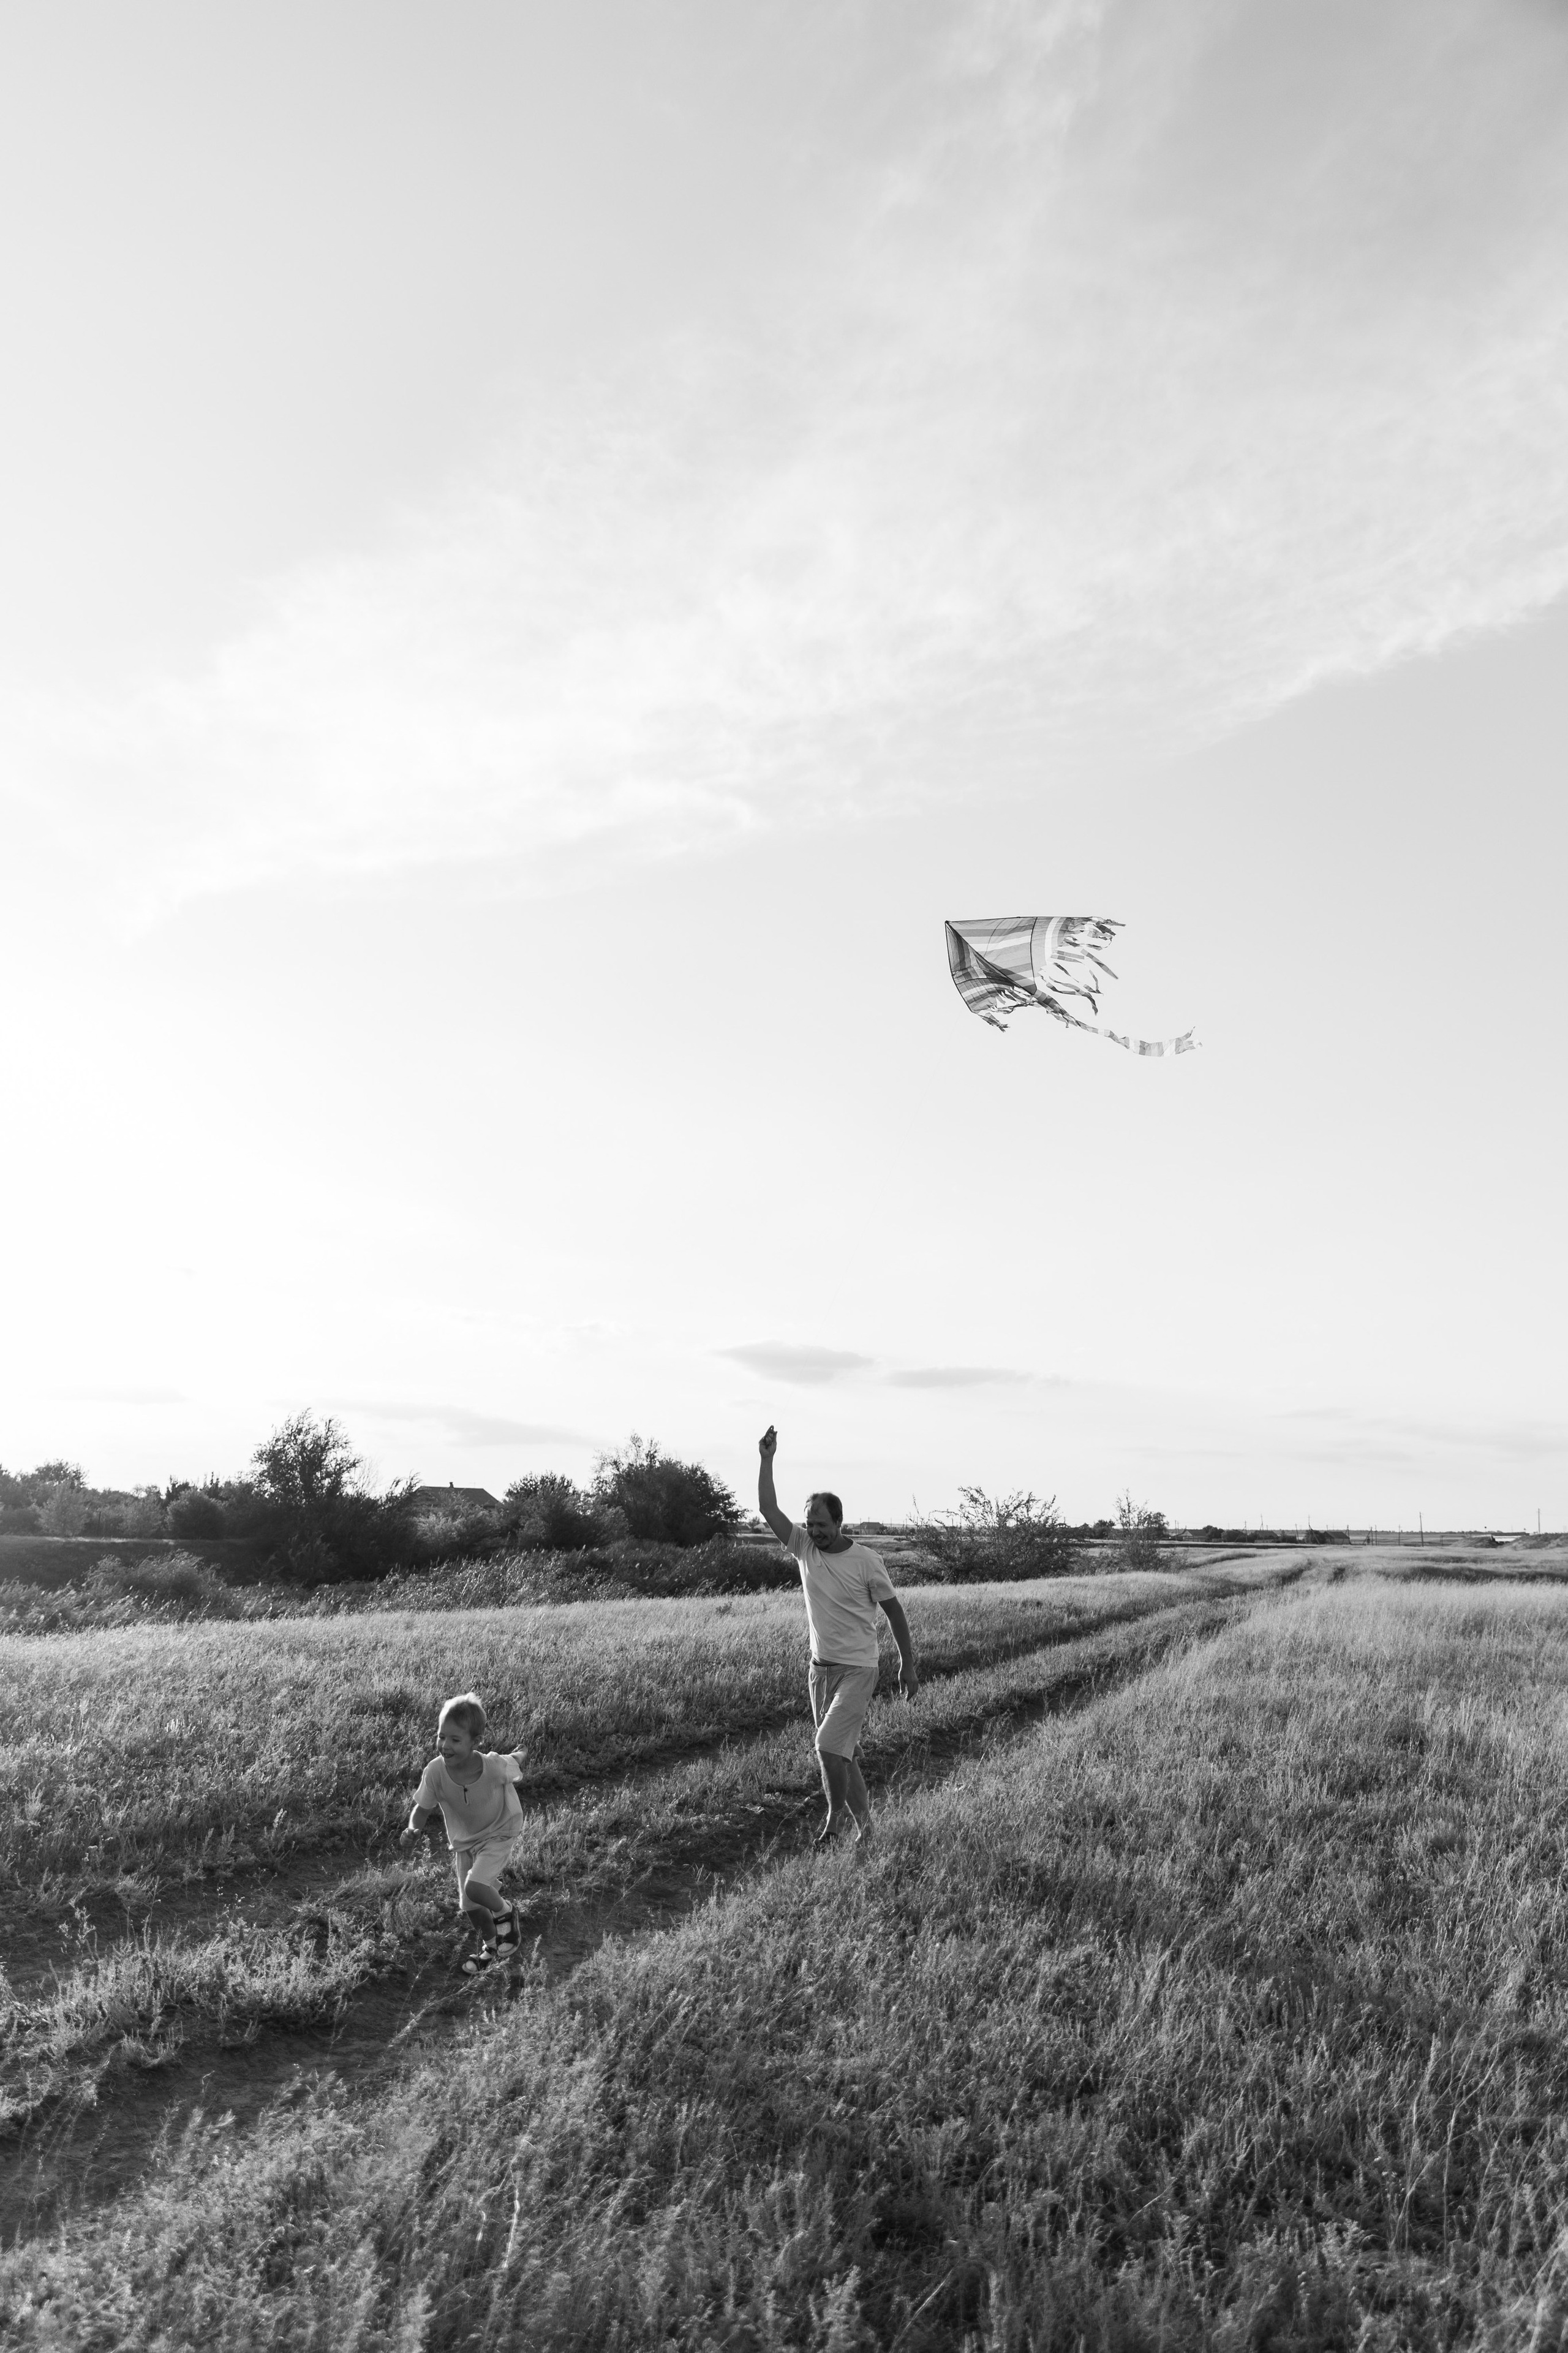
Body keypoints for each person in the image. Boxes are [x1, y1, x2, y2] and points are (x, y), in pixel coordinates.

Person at [756, 1424, 918, 1845]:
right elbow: (769, 1508)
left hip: (859, 1669)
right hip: (819, 1671)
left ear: (839, 1521)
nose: (815, 1531)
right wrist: (767, 1459)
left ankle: (833, 1822)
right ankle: (868, 1829)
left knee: (827, 1744)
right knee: (842, 1754)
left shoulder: (867, 1561)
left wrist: (907, 1663)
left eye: (822, 1524)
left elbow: (894, 1611)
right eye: (810, 1523)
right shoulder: (803, 1547)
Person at [400, 1691, 524, 1971]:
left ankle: (507, 1915)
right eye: (442, 1736)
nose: (445, 1745)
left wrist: (524, 1751)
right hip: (465, 1842)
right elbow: (421, 1808)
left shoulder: (491, 1766)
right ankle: (491, 1948)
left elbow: (513, 1760)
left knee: (476, 1886)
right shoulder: (434, 1772)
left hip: (499, 1832)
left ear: (475, 1742)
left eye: (455, 1740)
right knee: (470, 1906)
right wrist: (413, 1829)